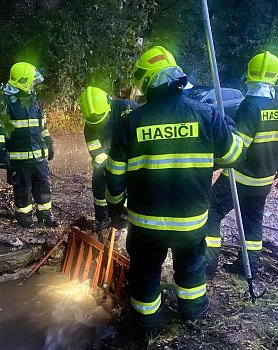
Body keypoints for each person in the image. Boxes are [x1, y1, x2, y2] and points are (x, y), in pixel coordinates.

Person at [105, 45, 245, 336]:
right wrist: (226, 129)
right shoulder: (206, 115)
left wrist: (115, 209)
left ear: (144, 82)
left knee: (144, 275)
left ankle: (147, 328)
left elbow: (114, 175)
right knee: (191, 269)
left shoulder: (130, 122)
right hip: (192, 222)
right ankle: (192, 313)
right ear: (176, 76)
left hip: (145, 226)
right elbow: (233, 157)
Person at [205, 51, 278, 277]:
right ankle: (250, 265)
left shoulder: (249, 106)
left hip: (239, 177)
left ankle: (208, 265)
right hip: (265, 179)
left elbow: (239, 147)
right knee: (252, 220)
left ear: (250, 75)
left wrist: (214, 163)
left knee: (212, 211)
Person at [0, 62, 58, 229]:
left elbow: (42, 125)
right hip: (18, 158)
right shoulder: (6, 102)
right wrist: (2, 152)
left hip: (38, 156)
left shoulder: (34, 100)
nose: (33, 84)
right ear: (22, 80)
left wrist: (48, 141)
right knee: (23, 188)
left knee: (43, 185)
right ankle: (23, 216)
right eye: (31, 81)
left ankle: (45, 215)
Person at [80, 86, 138, 231]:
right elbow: (98, 155)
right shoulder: (89, 129)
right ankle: (102, 218)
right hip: (109, 162)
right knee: (98, 178)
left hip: (133, 158)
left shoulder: (127, 108)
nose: (96, 123)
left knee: (131, 187)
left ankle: (127, 218)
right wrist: (112, 170)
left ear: (109, 105)